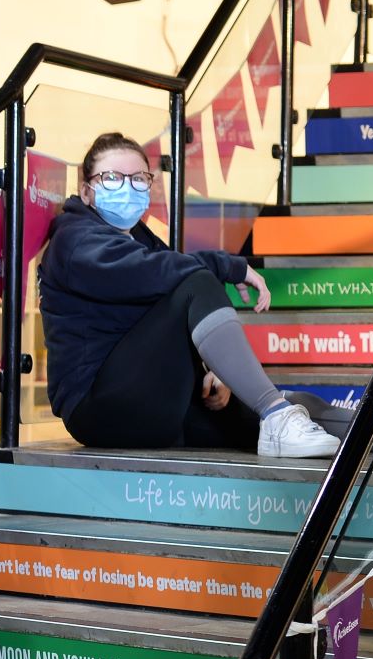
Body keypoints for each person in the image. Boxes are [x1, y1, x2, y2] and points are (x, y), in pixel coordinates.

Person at [39, 131, 338, 458]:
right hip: (99, 409)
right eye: (112, 178)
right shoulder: (75, 241)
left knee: (294, 411)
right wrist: (227, 266)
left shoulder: (139, 237)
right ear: (86, 191)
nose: (127, 187)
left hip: (151, 396)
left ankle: (365, 429)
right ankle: (276, 413)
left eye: (138, 178)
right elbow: (158, 273)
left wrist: (216, 367)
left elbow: (163, 299)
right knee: (196, 283)